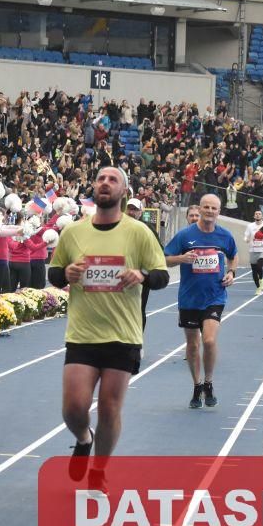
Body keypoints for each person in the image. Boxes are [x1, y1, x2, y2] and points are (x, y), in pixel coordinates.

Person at [49, 168, 168, 484]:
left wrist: (142, 275)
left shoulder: (139, 232)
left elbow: (161, 275)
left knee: (109, 408)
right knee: (73, 408)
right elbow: (54, 273)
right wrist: (67, 274)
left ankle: (99, 470)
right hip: (83, 333)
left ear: (124, 192)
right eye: (101, 178)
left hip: (122, 334)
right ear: (94, 186)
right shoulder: (74, 232)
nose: (105, 183)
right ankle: (84, 438)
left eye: (113, 180)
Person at [164, 194, 238, 409]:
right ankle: (197, 385)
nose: (210, 211)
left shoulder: (225, 236)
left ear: (219, 211)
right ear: (200, 209)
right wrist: (182, 258)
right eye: (206, 207)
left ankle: (209, 382)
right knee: (193, 344)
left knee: (209, 340)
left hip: (215, 296)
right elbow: (165, 258)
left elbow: (233, 255)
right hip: (189, 298)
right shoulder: (185, 235)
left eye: (214, 208)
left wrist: (231, 272)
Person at [124, 198, 160, 330]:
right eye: (129, 208)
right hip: (119, 274)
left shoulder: (148, 228)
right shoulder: (117, 226)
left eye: (135, 209)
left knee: (138, 309)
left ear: (141, 212)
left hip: (140, 275)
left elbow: (159, 252)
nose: (131, 212)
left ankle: (137, 338)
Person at [244, 209, 263, 295]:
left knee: (259, 266)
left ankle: (261, 280)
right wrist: (246, 240)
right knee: (254, 271)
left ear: (262, 216)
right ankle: (258, 288)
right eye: (256, 214)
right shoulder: (250, 226)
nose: (258, 215)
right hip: (253, 250)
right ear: (254, 216)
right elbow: (246, 236)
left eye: (259, 214)